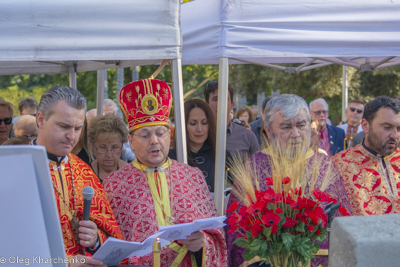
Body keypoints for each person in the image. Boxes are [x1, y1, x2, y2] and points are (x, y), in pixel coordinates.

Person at [103, 79, 227, 266]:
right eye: (145, 135)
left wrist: (202, 243)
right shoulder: (114, 184)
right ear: (131, 140)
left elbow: (216, 237)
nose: (154, 141)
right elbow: (107, 244)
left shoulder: (192, 177)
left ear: (169, 136)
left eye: (160, 133)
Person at [226, 94, 351, 267]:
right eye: (286, 127)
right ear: (269, 131)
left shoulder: (324, 166)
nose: (296, 134)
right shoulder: (253, 167)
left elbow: (343, 223)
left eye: (301, 125)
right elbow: (237, 231)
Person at [33, 85, 124, 266]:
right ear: (41, 120)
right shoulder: (16, 169)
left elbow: (111, 236)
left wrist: (95, 239)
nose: (71, 136)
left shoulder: (84, 171)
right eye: (64, 126)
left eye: (78, 128)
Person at [332, 96, 400, 215]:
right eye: (387, 127)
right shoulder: (339, 165)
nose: (395, 135)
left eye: (399, 129)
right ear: (365, 126)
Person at [169, 99, 229, 193]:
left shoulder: (222, 156)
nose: (199, 129)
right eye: (193, 124)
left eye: (204, 123)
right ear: (182, 126)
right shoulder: (170, 160)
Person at [204, 81, 259, 161]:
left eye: (225, 99)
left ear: (231, 105)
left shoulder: (247, 136)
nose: (221, 104)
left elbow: (258, 169)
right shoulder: (197, 135)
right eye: (216, 99)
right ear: (206, 105)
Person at [88, 114, 128, 182]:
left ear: (121, 146)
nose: (109, 155)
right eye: (103, 148)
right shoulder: (84, 174)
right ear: (93, 146)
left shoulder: (131, 174)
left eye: (115, 147)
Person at [103, 98, 135, 162]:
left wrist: (123, 150)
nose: (109, 118)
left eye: (111, 114)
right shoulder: (97, 131)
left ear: (115, 112)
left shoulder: (124, 129)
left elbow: (133, 155)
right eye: (106, 115)